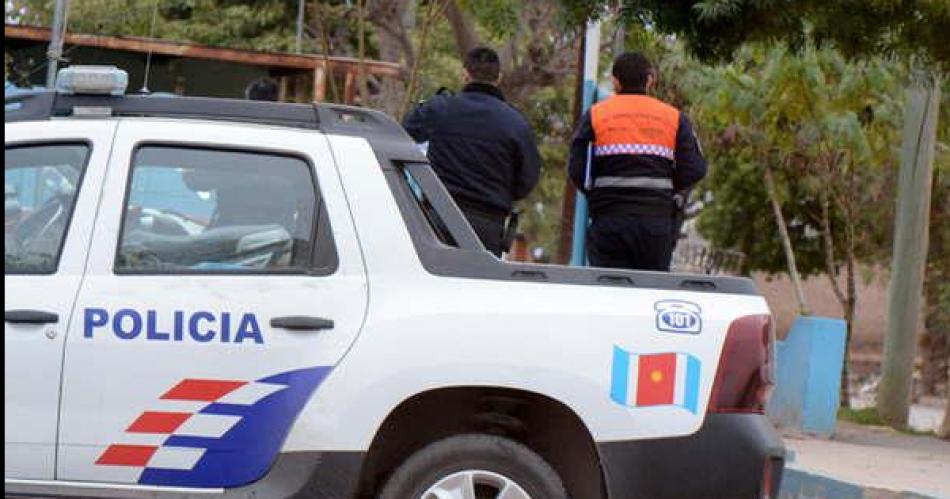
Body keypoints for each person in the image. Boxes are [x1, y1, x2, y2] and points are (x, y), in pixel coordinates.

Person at [568, 52, 707, 271]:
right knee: (650, 294)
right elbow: (695, 168)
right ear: (650, 79)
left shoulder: (595, 116)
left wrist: (599, 194)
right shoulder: (674, 118)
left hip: (610, 221)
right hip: (656, 225)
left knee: (611, 294)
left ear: (615, 81)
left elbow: (578, 170)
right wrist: (669, 189)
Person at [403, 47, 541, 257]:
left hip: (438, 218)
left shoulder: (440, 108)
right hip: (488, 225)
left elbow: (404, 133)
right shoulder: (516, 123)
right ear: (499, 78)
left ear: (465, 74)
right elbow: (527, 179)